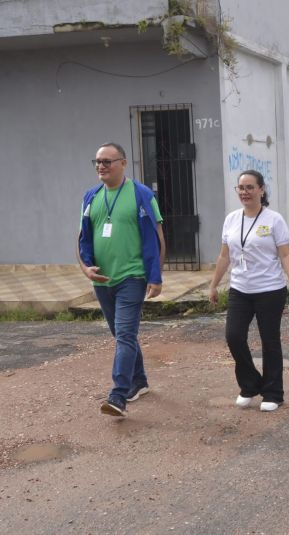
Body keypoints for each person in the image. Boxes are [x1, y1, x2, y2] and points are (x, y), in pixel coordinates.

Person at [78, 142, 166, 417]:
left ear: (123, 163)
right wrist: (86, 268)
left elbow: (157, 237)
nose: (101, 166)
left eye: (107, 161)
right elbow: (82, 237)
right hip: (103, 279)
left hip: (133, 276)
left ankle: (118, 396)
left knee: (125, 335)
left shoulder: (141, 195)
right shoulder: (90, 196)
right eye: (97, 161)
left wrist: (155, 276)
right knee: (122, 335)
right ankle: (139, 382)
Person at [208, 170, 289, 412]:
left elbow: (284, 254)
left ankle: (273, 392)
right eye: (241, 188)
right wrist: (213, 285)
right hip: (240, 289)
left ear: (262, 190)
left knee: (269, 340)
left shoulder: (273, 220)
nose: (245, 192)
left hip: (269, 289)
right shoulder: (231, 219)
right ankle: (250, 385)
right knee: (234, 337)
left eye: (250, 187)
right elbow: (224, 255)